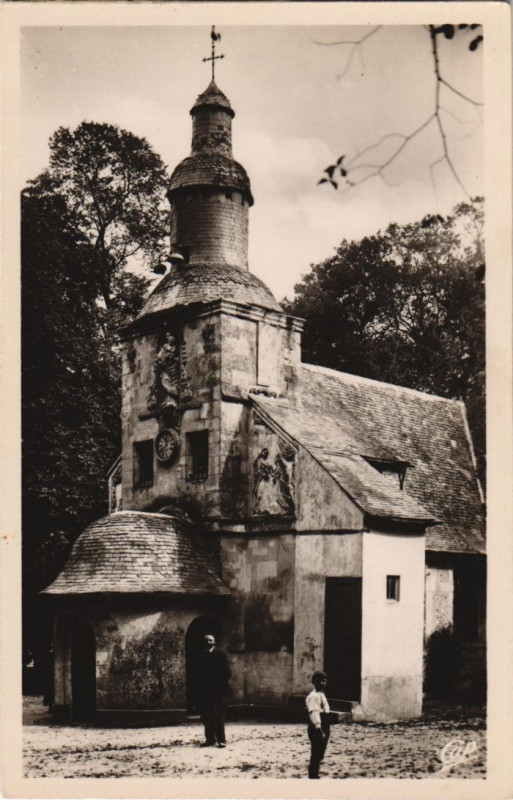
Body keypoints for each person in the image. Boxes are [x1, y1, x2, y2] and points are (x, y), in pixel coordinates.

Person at [197, 634, 231, 748]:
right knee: (206, 715)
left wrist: (219, 685)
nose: (208, 642)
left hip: (218, 691)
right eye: (206, 640)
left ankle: (221, 740)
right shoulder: (201, 656)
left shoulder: (221, 655)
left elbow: (227, 672)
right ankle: (210, 739)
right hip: (205, 692)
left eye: (210, 640)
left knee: (219, 715)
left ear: (214, 642)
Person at [305, 671, 331, 779]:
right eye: (319, 681)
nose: (322, 683)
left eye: (324, 681)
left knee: (320, 752)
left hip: (324, 724)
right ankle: (313, 775)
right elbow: (314, 713)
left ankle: (314, 772)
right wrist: (319, 729)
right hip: (317, 726)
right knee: (316, 751)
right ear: (314, 682)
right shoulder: (314, 696)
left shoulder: (321, 695)